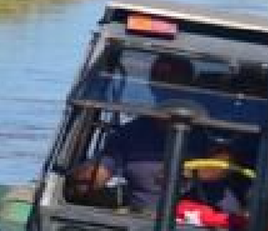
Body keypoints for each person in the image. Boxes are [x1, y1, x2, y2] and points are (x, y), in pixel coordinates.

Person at [67, 53, 231, 212]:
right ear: (151, 84)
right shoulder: (129, 133)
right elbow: (102, 169)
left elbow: (222, 165)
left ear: (190, 86)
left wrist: (187, 172)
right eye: (162, 81)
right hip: (143, 223)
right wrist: (85, 178)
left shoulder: (211, 128)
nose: (169, 88)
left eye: (177, 82)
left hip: (210, 220)